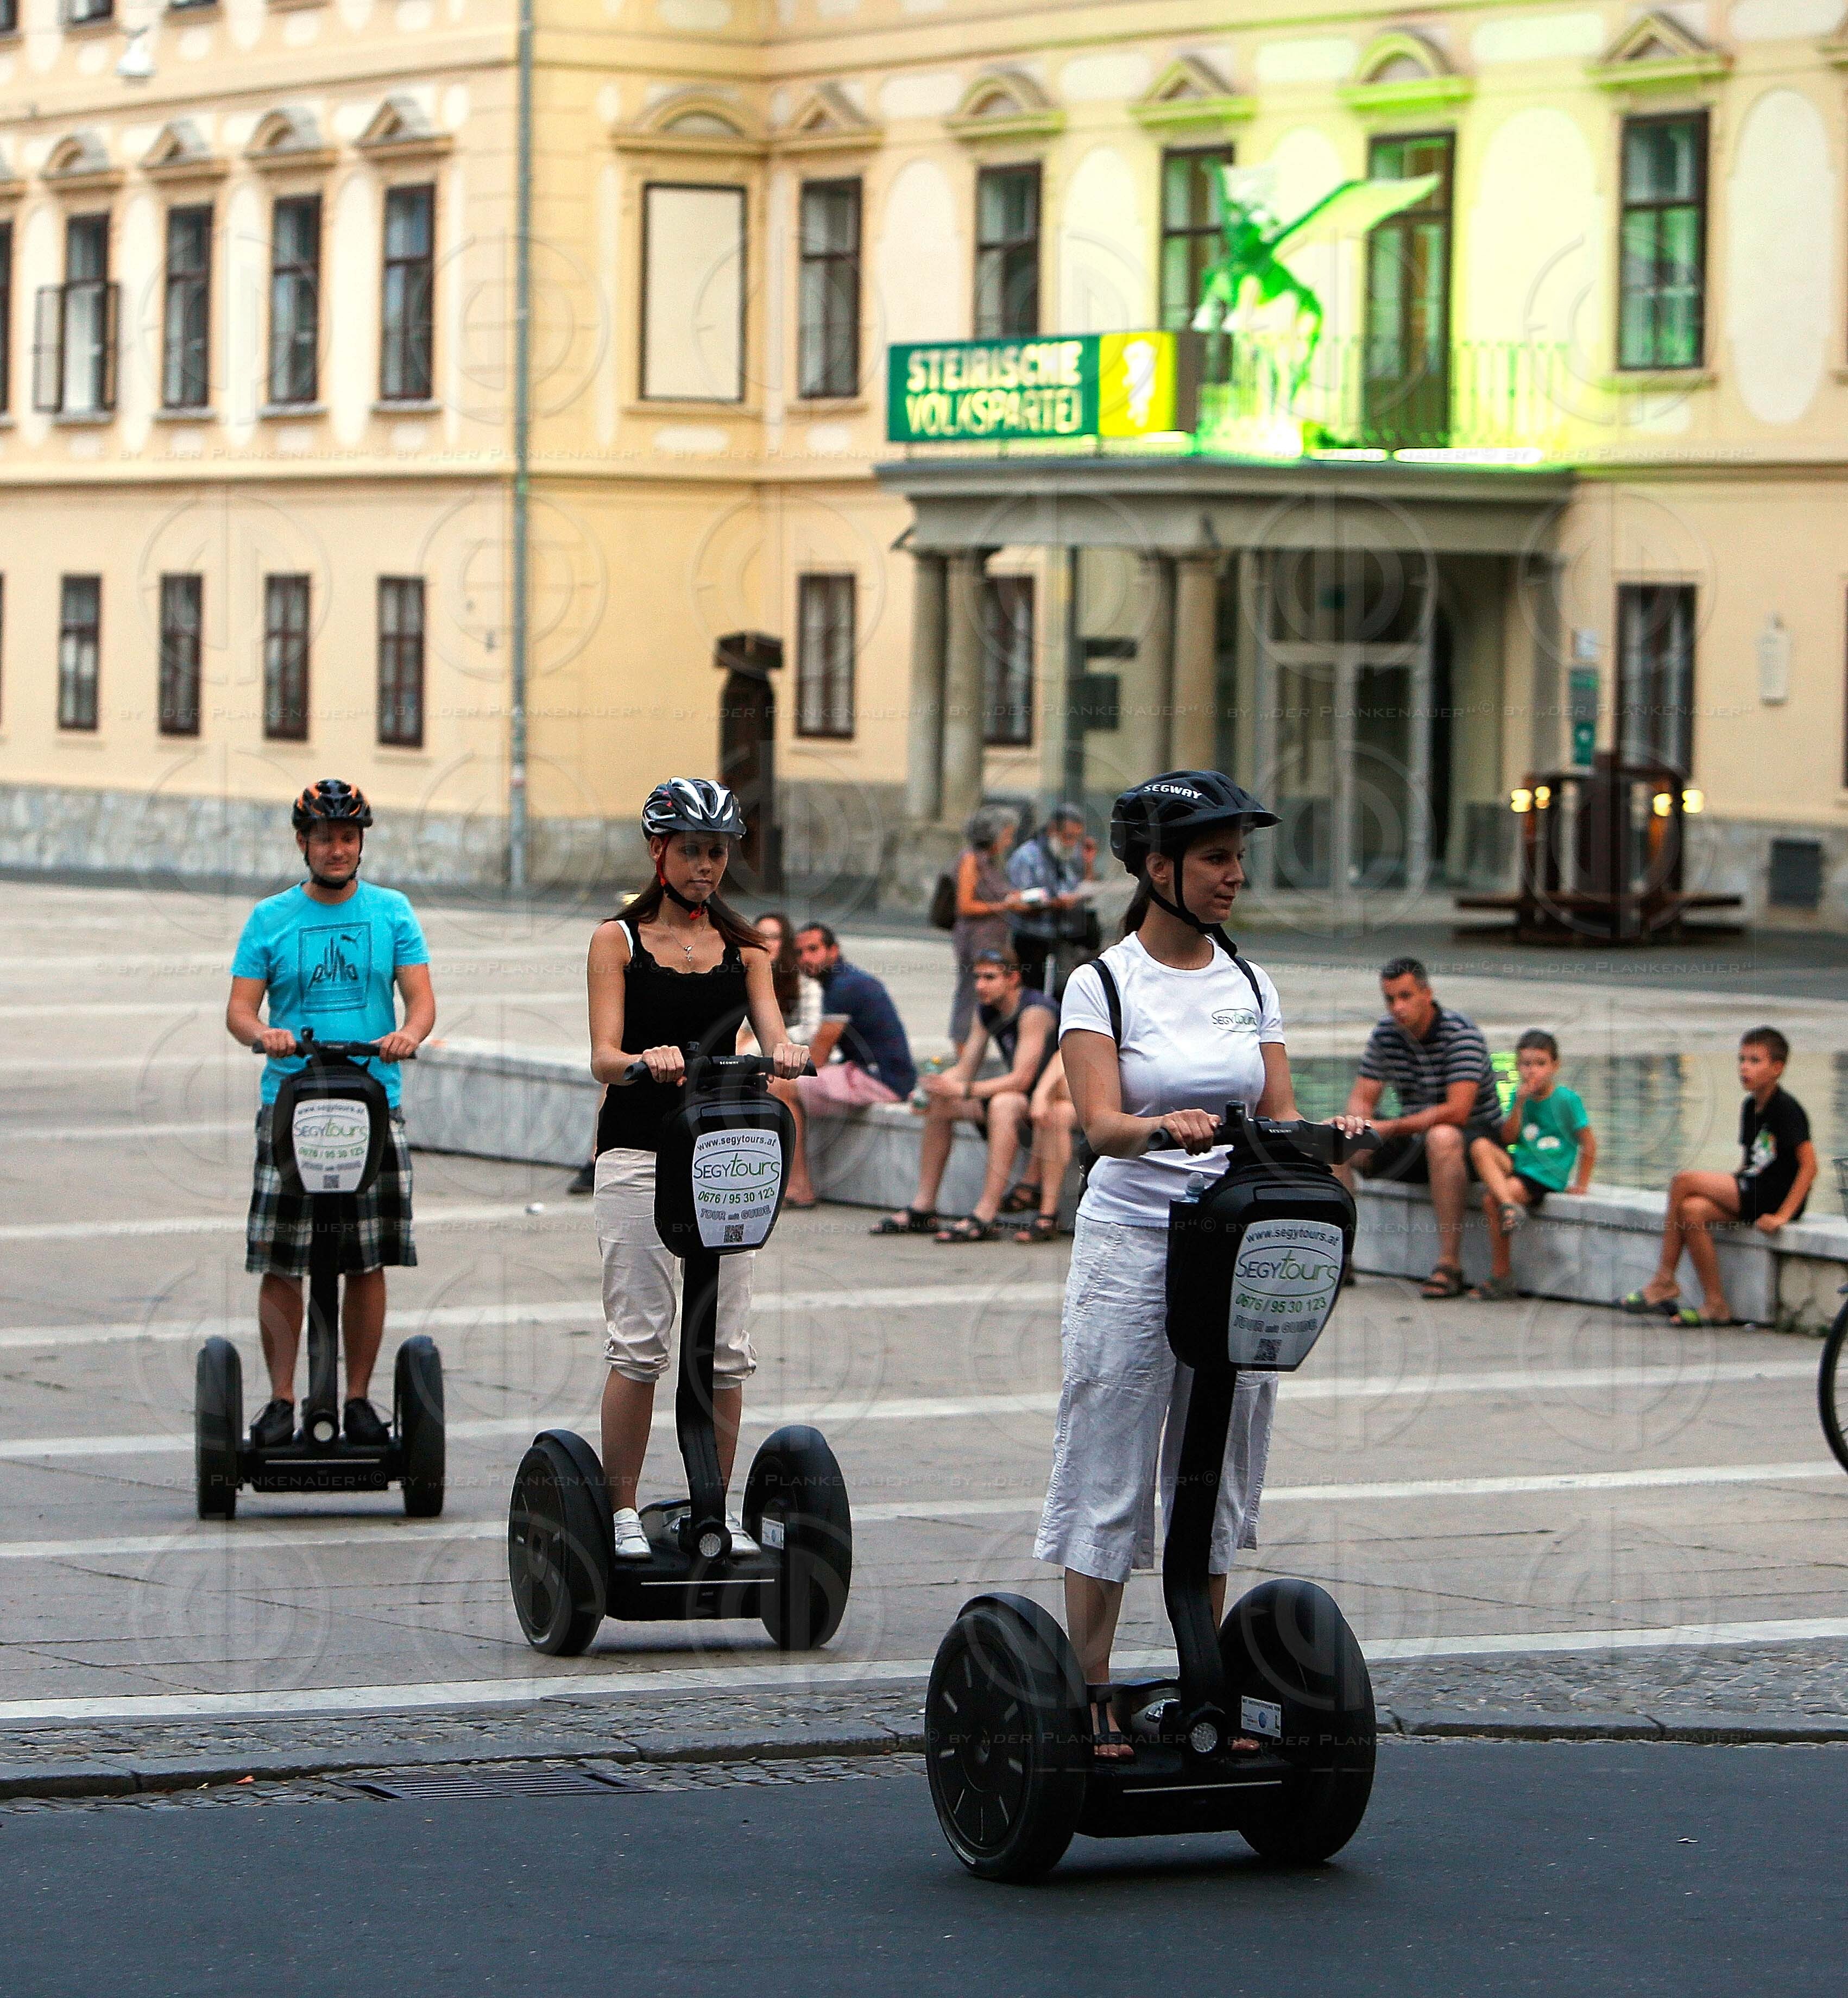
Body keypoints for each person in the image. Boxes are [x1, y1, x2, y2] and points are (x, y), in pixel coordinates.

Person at [1033, 770, 1368, 1758]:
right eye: (1216, 858)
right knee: (1109, 1461)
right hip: (1132, 1246)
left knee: (1215, 1466)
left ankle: (1203, 1683)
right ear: (1156, 868)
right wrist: (1159, 1127)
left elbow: (1275, 1115)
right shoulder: (1101, 984)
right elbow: (1100, 1125)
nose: (1234, 875)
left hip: (1233, 1246)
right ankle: (1091, 1687)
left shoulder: (1249, 984)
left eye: (1237, 858)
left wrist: (1327, 1138)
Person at [586, 779, 808, 1561]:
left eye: (717, 852)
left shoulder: (749, 950)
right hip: (639, 1152)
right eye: (691, 851)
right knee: (640, 1341)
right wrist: (640, 1058)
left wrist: (786, 1052)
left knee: (725, 1348)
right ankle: (620, 1510)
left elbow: (775, 1034)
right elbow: (602, 1057)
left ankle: (714, 1508)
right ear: (659, 851)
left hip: (723, 1153)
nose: (706, 866)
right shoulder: (616, 940)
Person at [225, 780, 437, 1450]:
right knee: (282, 1258)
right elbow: (239, 1010)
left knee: (366, 1258)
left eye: (348, 837)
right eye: (324, 837)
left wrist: (408, 1034)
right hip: (291, 1104)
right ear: (303, 842)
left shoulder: (392, 911)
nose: (337, 848)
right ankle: (282, 1399)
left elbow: (421, 1000)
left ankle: (358, 1398)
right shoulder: (270, 918)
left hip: (372, 1101)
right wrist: (265, 1033)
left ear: (360, 843)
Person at [1622, 1026, 1817, 1328]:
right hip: (1753, 1188)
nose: (1744, 1068)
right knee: (1692, 1209)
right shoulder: (1750, 1106)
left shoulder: (1787, 1109)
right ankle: (1716, 1304)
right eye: (1742, 1060)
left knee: (1683, 1181)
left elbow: (1810, 1166)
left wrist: (1783, 1215)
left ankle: (1664, 1280)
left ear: (1777, 1068)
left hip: (1773, 1196)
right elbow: (1751, 1161)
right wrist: (1728, 1185)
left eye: (1755, 1061)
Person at [1334, 957, 1502, 1300]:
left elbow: (1458, 1111)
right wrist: (1357, 1123)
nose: (1398, 1007)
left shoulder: (1461, 1034)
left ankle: (1450, 1265)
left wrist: (1389, 1126)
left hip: (1474, 1145)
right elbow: (1362, 1098)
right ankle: (1340, 1256)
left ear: (1428, 994)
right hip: (1414, 1141)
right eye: (1390, 999)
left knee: (1443, 1136)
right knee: (1334, 1138)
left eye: (1406, 996)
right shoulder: (1387, 1033)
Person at [873, 948, 1057, 1243]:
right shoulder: (986, 1010)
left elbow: (1022, 1080)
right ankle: (924, 1207)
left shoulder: (1034, 1011)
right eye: (977, 978)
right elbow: (966, 1068)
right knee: (941, 1103)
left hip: (1048, 1102)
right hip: (1021, 1098)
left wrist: (963, 1090)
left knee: (1004, 1104)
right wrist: (931, 1088)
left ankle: (986, 1214)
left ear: (1013, 979)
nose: (980, 986)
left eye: (990, 978)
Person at [780, 922, 918, 1207]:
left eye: (814, 949)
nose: (806, 958)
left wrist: (778, 1071)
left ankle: (799, 1187)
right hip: (875, 1074)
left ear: (834, 950)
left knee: (781, 1088)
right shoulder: (844, 980)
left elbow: (818, 1058)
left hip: (882, 1081)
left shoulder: (845, 986)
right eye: (800, 952)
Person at [1466, 1030, 1597, 1301]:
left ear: (1555, 1066)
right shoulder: (1520, 1096)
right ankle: (1509, 1206)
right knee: (1479, 1146)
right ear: (1518, 1066)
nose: (1532, 1071)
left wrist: (1581, 1184)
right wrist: (1519, 1104)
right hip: (1523, 1163)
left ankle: (1501, 1276)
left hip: (1545, 1172)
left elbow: (1589, 1143)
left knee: (1491, 1200)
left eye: (1540, 1064)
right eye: (1526, 1064)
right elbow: (1509, 1139)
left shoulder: (1566, 1099)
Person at [949, 802, 1025, 1045]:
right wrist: (1005, 905)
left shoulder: (991, 862)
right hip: (975, 940)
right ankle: (963, 1045)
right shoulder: (971, 860)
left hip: (992, 939)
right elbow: (965, 905)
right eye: (1007, 835)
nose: (1009, 841)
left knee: (989, 994)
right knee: (972, 993)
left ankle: (978, 1044)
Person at [1006, 803, 1093, 998]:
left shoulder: (1070, 855)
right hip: (1032, 936)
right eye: (1068, 837)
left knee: (1064, 990)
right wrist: (1054, 904)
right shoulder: (1027, 856)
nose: (1072, 843)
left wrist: (1089, 863)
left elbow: (1081, 886)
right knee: (1032, 993)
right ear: (1054, 829)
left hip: (1063, 934)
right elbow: (1017, 901)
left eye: (1077, 838)